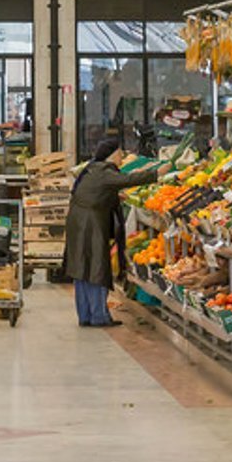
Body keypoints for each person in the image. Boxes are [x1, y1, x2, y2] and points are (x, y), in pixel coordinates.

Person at [65, 140, 161, 328]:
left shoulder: (92, 168)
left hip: (78, 221)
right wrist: (157, 173)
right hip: (90, 223)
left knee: (82, 269)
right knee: (96, 268)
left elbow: (96, 191)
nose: (122, 157)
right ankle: (99, 316)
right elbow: (128, 180)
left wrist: (113, 196)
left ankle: (85, 315)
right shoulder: (105, 171)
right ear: (111, 154)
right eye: (119, 153)